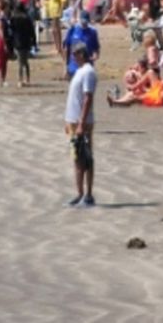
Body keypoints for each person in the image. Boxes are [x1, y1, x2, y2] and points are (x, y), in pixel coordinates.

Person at [63, 42, 98, 206]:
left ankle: (87, 194)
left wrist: (81, 123)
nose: (72, 57)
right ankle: (79, 193)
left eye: (74, 54)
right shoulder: (79, 71)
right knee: (77, 157)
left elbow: (87, 98)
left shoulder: (88, 72)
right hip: (73, 121)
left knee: (85, 158)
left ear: (81, 54)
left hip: (81, 122)